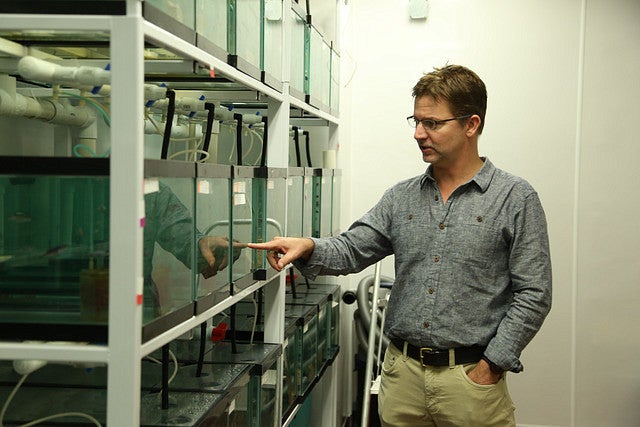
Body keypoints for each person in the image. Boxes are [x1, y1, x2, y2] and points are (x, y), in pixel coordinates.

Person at [248, 64, 552, 426]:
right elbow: (352, 249)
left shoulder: (515, 198)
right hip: (402, 376)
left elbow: (534, 293)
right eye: (417, 121)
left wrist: (492, 366)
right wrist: (309, 246)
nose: (419, 133)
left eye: (433, 123)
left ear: (471, 125)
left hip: (471, 381)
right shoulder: (401, 198)